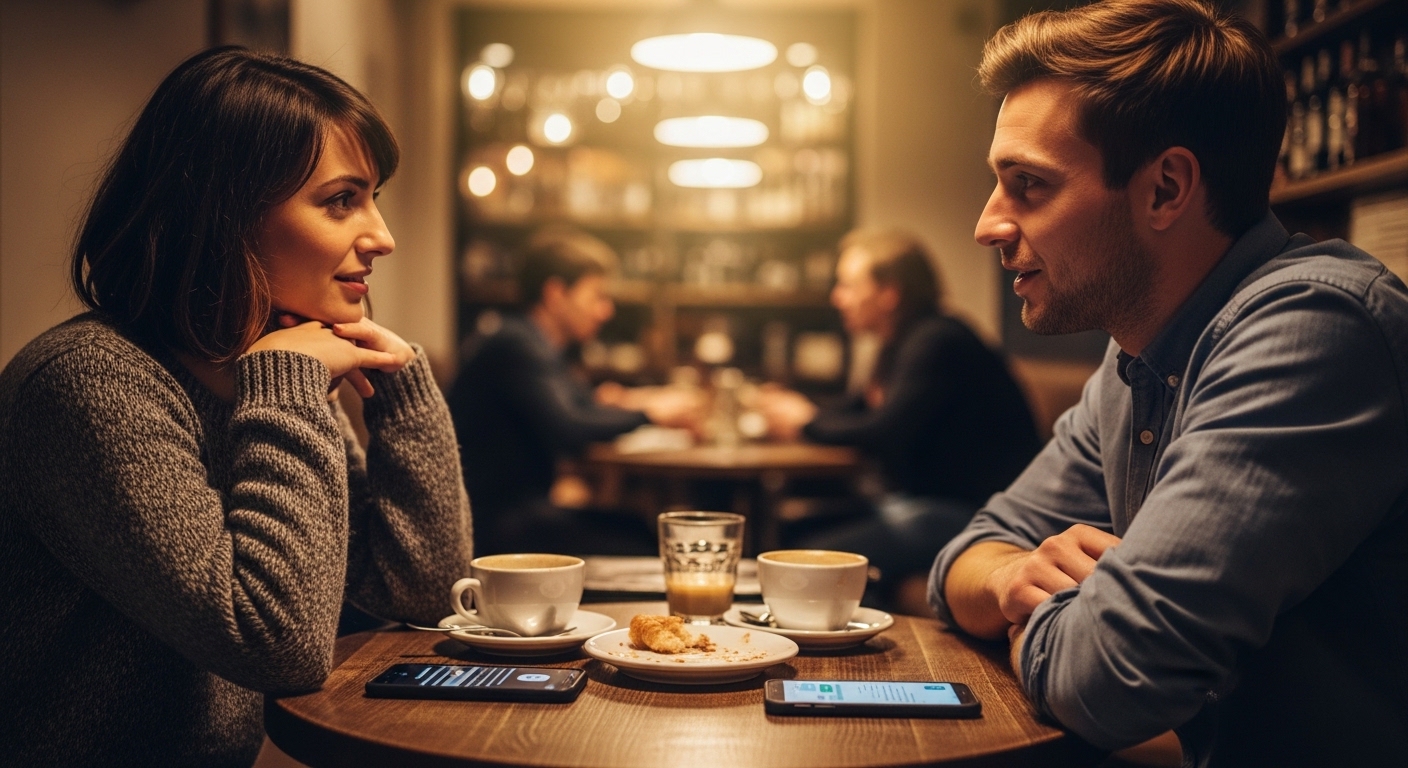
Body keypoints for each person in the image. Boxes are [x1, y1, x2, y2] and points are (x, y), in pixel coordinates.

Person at [929, 1, 1408, 765]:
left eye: (1028, 184)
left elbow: (1109, 680)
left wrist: (1031, 613)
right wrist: (1017, 574)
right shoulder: (1137, 360)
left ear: (1165, 189)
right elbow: (965, 555)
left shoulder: (1316, 329)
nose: (988, 224)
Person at [0, 48, 472, 767]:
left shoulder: (267, 365)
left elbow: (423, 592)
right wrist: (287, 388)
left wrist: (401, 387)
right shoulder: (90, 384)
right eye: (342, 200)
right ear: (223, 214)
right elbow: (276, 643)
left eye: (373, 197)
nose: (382, 236)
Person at [757, 230, 1040, 604]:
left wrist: (804, 423)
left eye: (847, 286)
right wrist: (799, 410)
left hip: (971, 511)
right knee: (788, 531)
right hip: (917, 502)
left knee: (806, 557)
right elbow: (855, 409)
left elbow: (884, 431)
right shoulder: (899, 343)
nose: (836, 298)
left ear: (889, 294)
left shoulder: (938, 341)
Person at [448, 228, 701, 556]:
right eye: (596, 296)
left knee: (639, 527)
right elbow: (571, 427)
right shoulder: (515, 345)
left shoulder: (533, 343)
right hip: (494, 526)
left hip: (511, 514)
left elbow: (582, 404)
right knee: (643, 540)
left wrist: (629, 402)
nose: (605, 311)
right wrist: (651, 412)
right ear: (556, 293)